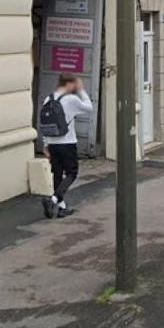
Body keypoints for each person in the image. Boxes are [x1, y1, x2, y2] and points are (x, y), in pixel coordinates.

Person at [40, 73, 92, 219]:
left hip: (52, 143)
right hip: (67, 143)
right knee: (72, 173)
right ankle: (53, 200)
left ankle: (61, 208)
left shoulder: (48, 99)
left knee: (57, 173)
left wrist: (45, 144)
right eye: (75, 84)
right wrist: (81, 90)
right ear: (70, 83)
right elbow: (89, 107)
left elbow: (45, 122)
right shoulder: (71, 99)